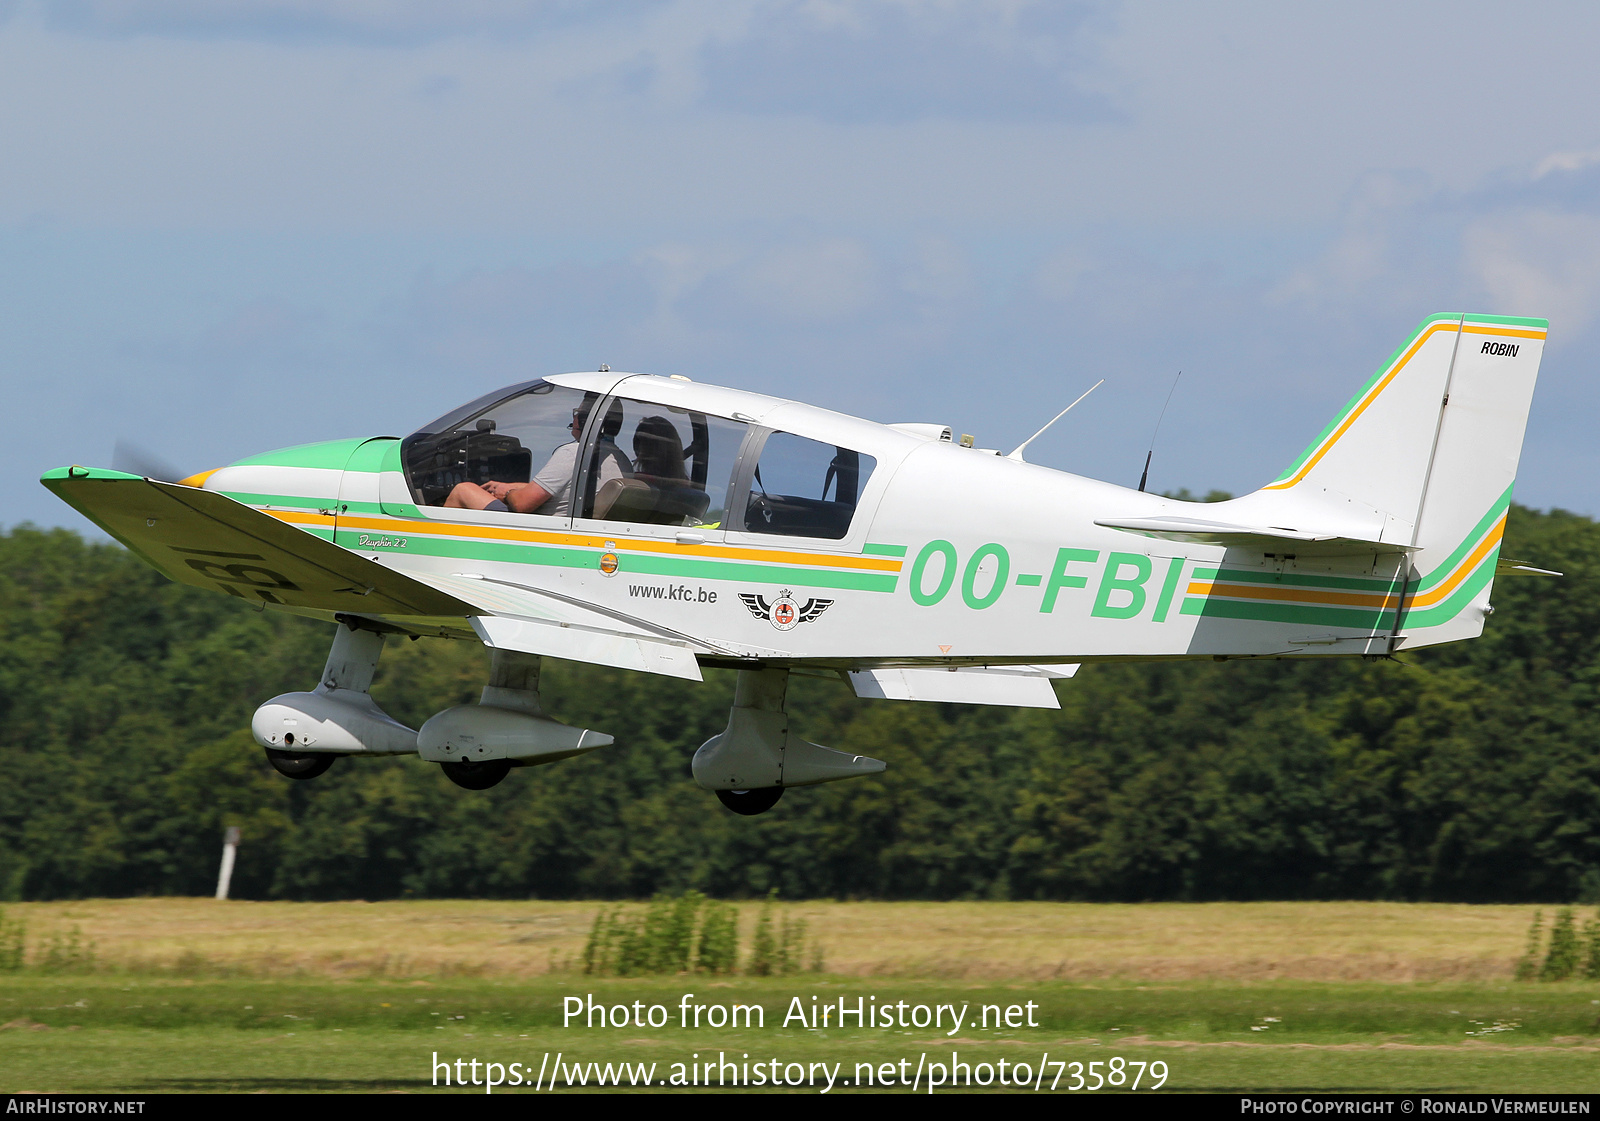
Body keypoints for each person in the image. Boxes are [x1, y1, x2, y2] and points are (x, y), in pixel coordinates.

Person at [444, 397, 629, 516]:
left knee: (463, 490)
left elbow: (523, 504)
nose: (574, 418)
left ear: (584, 420)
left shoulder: (575, 453)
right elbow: (569, 491)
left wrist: (507, 493)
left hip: (539, 533)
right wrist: (514, 486)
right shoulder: (622, 461)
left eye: (577, 414)